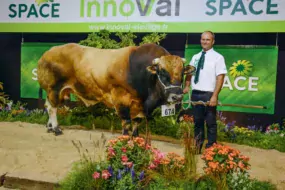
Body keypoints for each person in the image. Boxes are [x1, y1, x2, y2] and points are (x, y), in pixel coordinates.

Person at [183, 31, 227, 153]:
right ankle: (197, 147)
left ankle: (211, 149)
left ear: (213, 41)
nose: (205, 42)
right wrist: (187, 86)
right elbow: (189, 73)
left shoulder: (218, 57)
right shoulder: (195, 57)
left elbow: (220, 77)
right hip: (196, 93)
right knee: (197, 122)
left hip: (209, 94)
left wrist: (214, 96)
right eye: (203, 39)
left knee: (211, 123)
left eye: (207, 40)